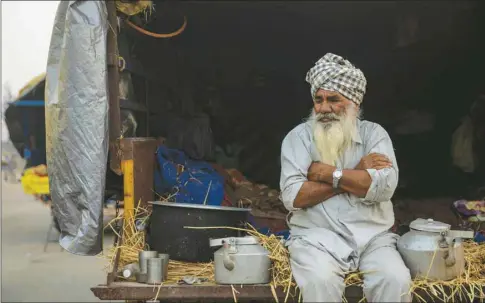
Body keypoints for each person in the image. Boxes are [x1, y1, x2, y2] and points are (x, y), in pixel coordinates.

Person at [279, 53, 412, 302]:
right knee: (320, 282)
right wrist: (355, 175)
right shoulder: (297, 139)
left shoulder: (375, 135)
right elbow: (293, 197)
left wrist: (327, 174)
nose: (324, 108)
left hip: (373, 238)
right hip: (315, 237)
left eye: (333, 99)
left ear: (354, 103)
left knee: (395, 280)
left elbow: (383, 187)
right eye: (318, 100)